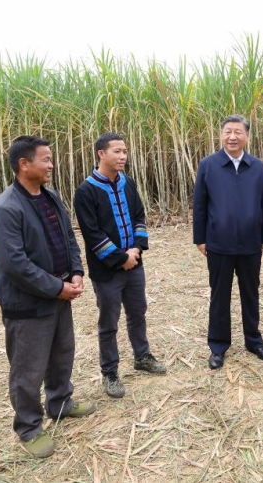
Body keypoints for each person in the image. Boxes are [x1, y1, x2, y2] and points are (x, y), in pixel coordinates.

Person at [0, 136, 95, 458]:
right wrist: (55, 287)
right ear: (24, 164)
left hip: (60, 294)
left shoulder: (50, 198)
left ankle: (60, 403)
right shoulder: (7, 208)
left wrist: (76, 272)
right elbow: (15, 265)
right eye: (45, 160)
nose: (51, 165)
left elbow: (68, 238)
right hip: (29, 304)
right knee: (28, 369)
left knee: (62, 352)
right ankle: (29, 427)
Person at [74, 133, 166, 400]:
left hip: (135, 263)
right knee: (108, 322)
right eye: (117, 151)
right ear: (101, 154)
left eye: (125, 151)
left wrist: (135, 250)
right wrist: (120, 258)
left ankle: (142, 356)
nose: (123, 156)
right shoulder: (86, 190)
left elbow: (139, 216)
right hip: (107, 271)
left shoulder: (128, 182)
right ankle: (110, 372)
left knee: (138, 313)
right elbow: (92, 234)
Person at [193, 115, 263, 370]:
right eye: (228, 131)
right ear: (221, 135)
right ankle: (218, 346)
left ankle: (254, 341)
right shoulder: (208, 165)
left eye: (238, 132)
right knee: (220, 296)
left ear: (247, 136)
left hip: (251, 243)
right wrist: (201, 238)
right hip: (219, 243)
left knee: (251, 293)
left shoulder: (258, 167)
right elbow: (199, 205)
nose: (232, 136)